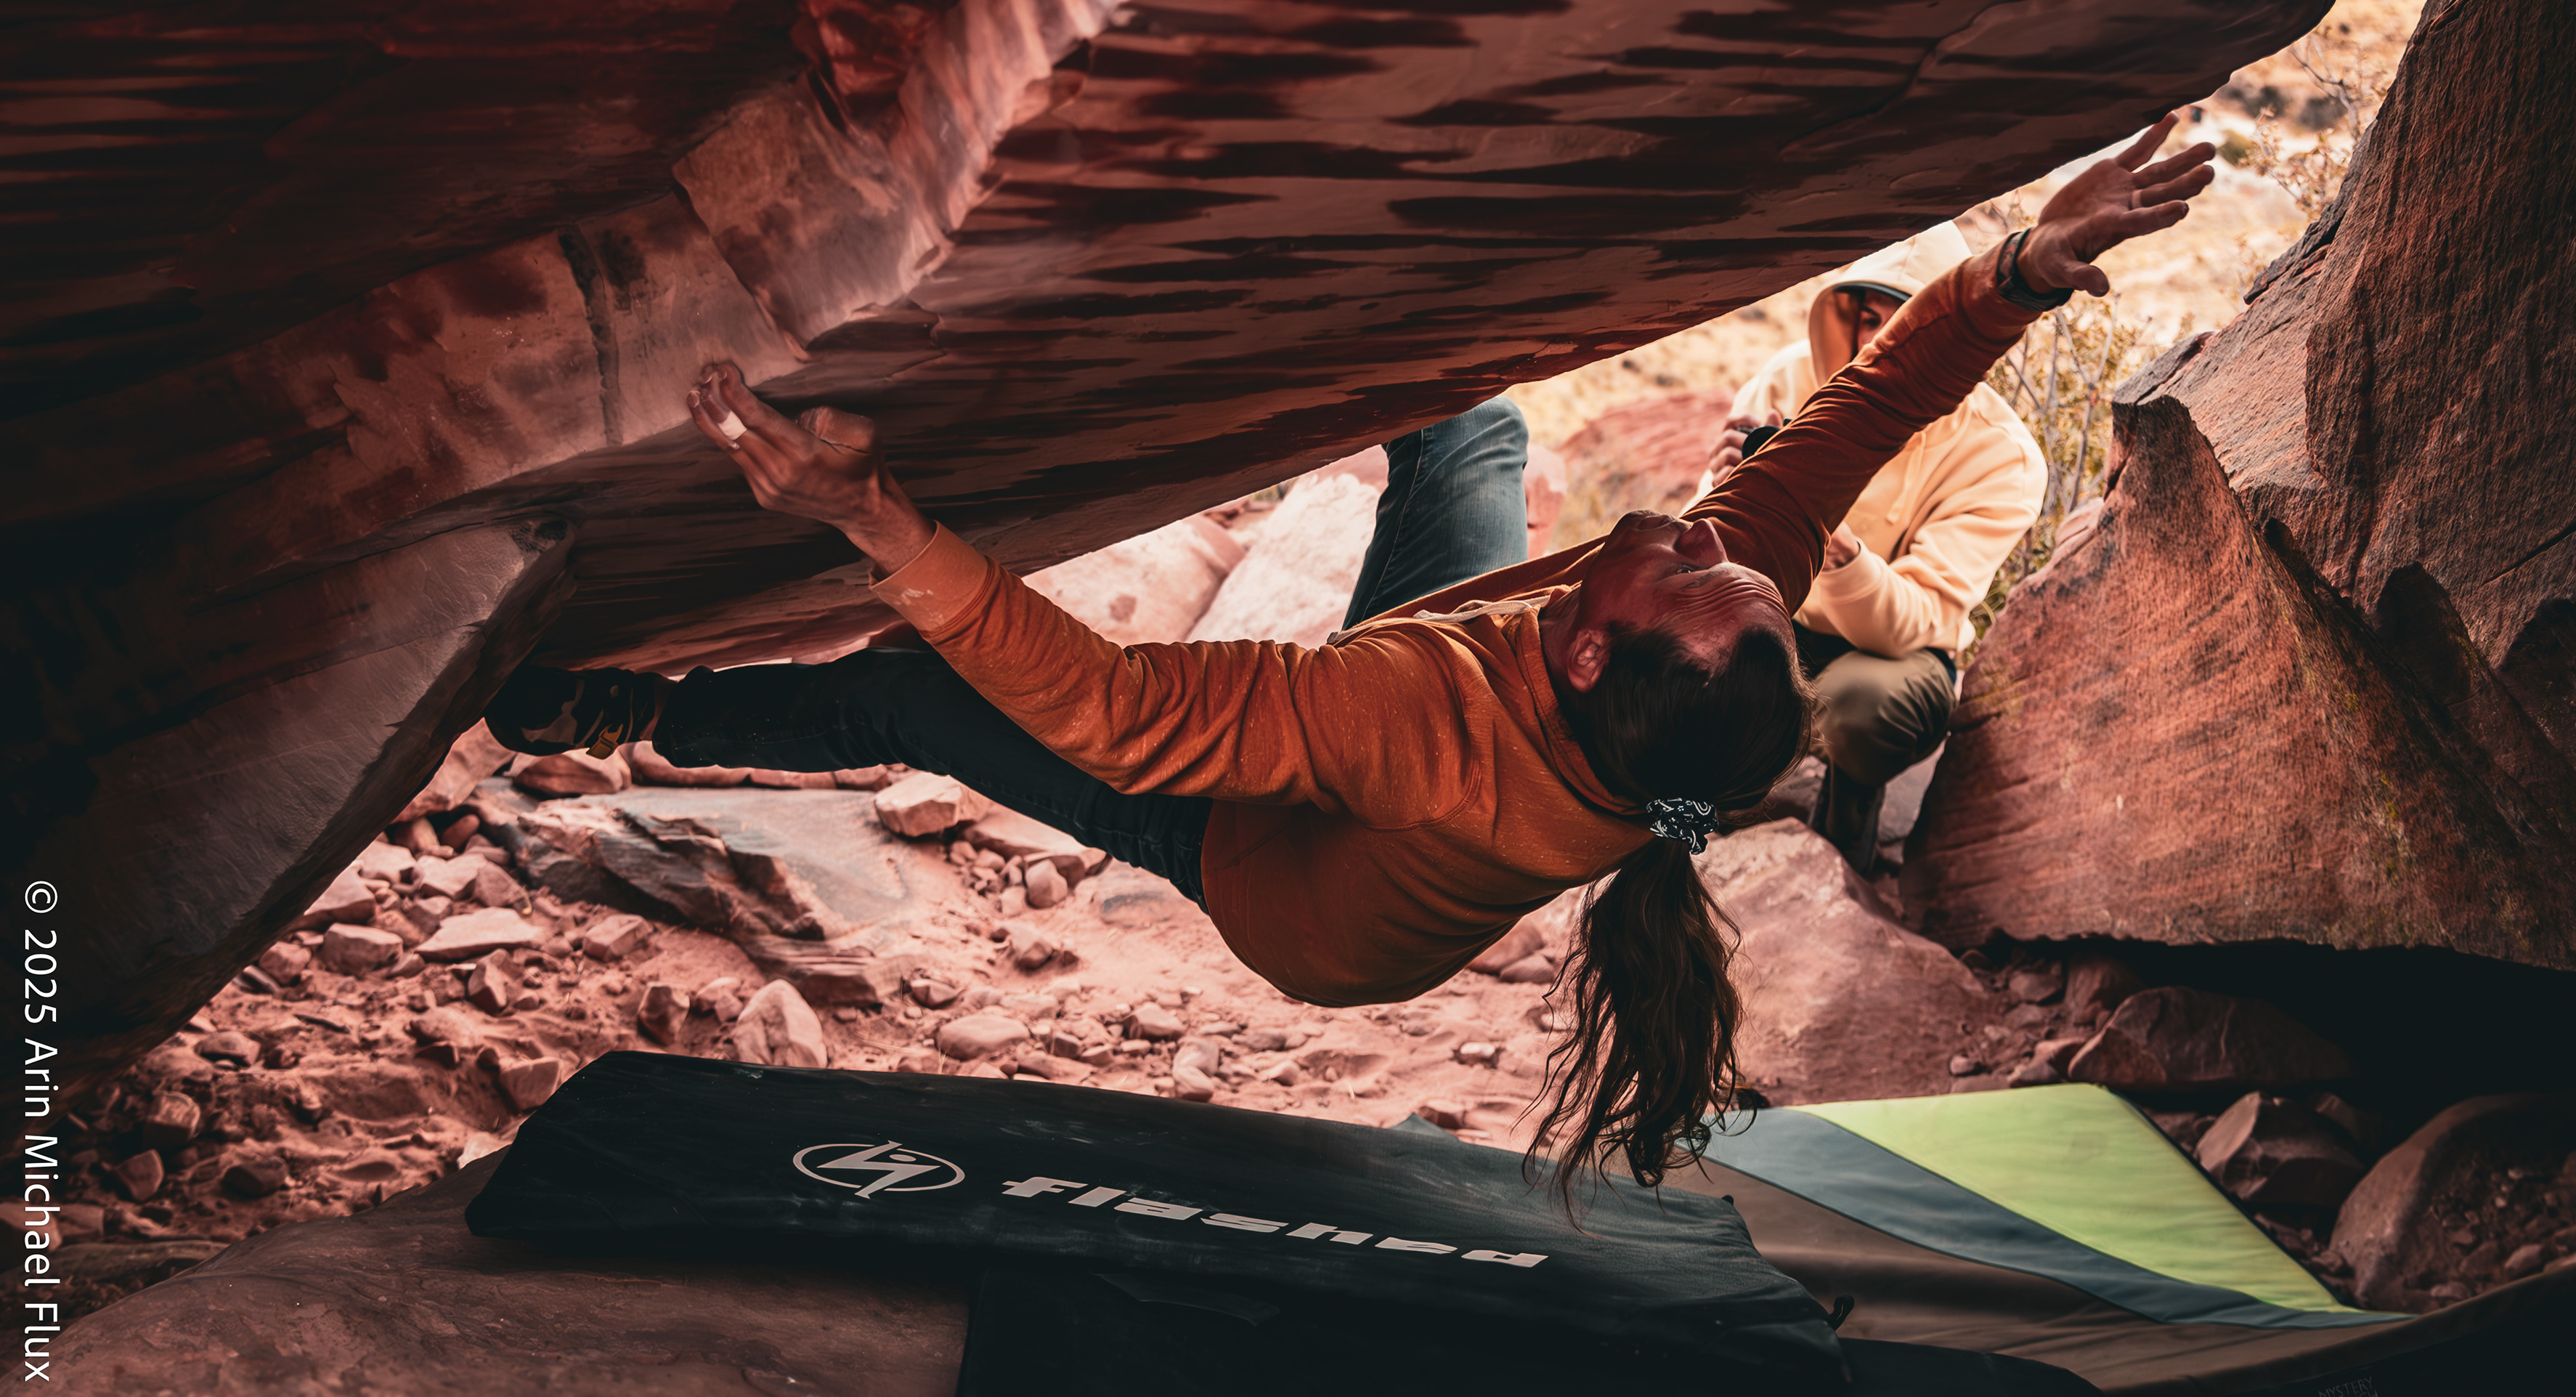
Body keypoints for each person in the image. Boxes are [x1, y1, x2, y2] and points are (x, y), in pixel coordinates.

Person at [487, 121, 2213, 1199]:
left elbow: (1117, 710)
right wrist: (2017, 268)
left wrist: (874, 506)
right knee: (1467, 424)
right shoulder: (1701, 634)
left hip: (1272, 878)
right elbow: (1861, 409)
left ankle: (641, 715)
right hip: (1429, 688)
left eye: (1688, 560)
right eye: (1727, 564)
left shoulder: (1400, 730)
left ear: (1588, 650)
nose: (1710, 532)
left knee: (920, 691)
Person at [1699, 223, 2047, 870]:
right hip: (1778, 616)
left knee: (1861, 711)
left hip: (1893, 651)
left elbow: (1917, 618)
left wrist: (1837, 547)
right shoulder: (1790, 379)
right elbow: (1708, 564)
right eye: (1868, 319)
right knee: (1683, 668)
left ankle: (1843, 854)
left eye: (1908, 322)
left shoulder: (2002, 454)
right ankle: (1685, 839)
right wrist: (1728, 498)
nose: (1881, 342)